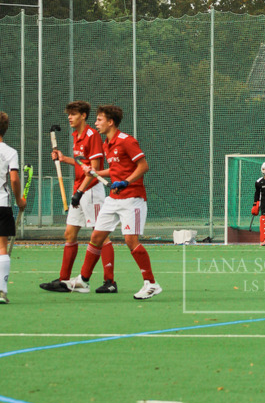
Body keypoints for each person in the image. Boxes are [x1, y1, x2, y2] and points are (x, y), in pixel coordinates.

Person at [65, 105, 162, 300]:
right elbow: (117, 168)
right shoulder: (106, 144)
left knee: (130, 241)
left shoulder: (127, 141)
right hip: (113, 199)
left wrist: (126, 182)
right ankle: (83, 280)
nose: (96, 123)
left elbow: (143, 166)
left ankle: (151, 284)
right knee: (97, 237)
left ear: (110, 122)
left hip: (132, 199)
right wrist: (97, 173)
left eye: (99, 120)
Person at [39, 101, 116, 294]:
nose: (69, 117)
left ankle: (110, 281)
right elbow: (82, 163)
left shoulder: (92, 136)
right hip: (79, 191)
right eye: (69, 114)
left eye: (73, 114)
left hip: (91, 191)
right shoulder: (76, 135)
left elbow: (95, 170)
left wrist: (81, 191)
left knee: (101, 236)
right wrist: (64, 159)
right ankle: (64, 279)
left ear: (83, 115)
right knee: (69, 234)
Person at [0, 112, 27, 304]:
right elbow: (15, 178)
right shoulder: (10, 152)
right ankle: (1, 292)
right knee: (2, 247)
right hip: (2, 204)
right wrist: (19, 199)